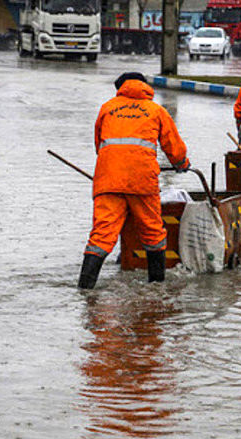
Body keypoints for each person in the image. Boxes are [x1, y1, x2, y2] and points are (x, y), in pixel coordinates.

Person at [78, 72, 190, 289]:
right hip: (142, 182)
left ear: (120, 88)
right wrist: (182, 164)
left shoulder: (107, 108)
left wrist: (111, 168)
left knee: (102, 234)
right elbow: (174, 148)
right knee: (152, 231)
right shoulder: (155, 110)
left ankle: (85, 289)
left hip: (109, 180)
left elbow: (99, 145)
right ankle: (156, 287)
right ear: (144, 86)